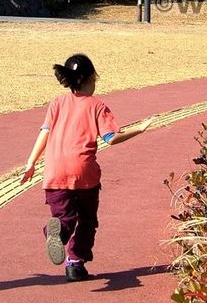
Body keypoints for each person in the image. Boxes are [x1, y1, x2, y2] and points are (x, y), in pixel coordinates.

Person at [20, 54, 152, 281]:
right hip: (84, 173)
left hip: (54, 172)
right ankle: (75, 262)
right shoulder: (97, 106)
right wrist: (139, 129)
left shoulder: (57, 103)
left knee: (65, 215)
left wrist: (31, 162)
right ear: (91, 78)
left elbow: (45, 132)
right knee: (87, 220)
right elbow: (111, 137)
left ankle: (59, 230)